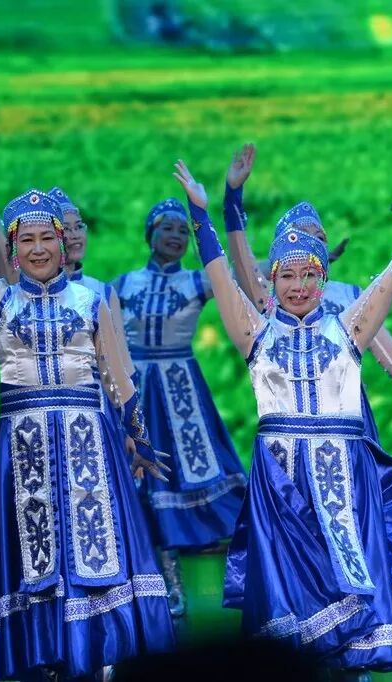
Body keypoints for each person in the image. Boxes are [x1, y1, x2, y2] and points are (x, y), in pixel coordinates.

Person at [0, 125, 175, 680]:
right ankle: (43, 655)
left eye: (46, 237)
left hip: (88, 440)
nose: (37, 248)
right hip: (23, 443)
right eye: (25, 240)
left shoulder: (92, 299)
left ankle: (93, 652)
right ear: (13, 250)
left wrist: (139, 438)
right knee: (35, 553)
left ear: (61, 242)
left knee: (91, 546)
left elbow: (119, 377)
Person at [171, 158, 392, 676]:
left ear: (324, 278)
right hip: (280, 479)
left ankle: (354, 659)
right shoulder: (256, 333)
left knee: (350, 566)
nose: (298, 286)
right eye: (287, 275)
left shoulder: (347, 328)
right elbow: (221, 275)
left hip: (346, 471)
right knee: (291, 584)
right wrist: (203, 213)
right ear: (272, 279)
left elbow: (391, 280)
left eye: (309, 275)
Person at [222, 145, 392, 589]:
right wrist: (232, 199)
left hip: (347, 419)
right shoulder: (270, 302)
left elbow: (388, 350)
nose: (309, 242)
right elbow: (238, 265)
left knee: (356, 519)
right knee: (298, 528)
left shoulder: (350, 296)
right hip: (290, 427)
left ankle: (368, 603)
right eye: (298, 237)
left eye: (316, 236)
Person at [112, 195, 248, 614]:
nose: (175, 236)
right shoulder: (122, 285)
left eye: (182, 231)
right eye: (166, 227)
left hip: (181, 396)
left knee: (185, 482)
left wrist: (291, 261)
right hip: (134, 394)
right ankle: (158, 587)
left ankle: (240, 577)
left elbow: (245, 275)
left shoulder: (195, 281)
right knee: (140, 491)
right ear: (149, 234)